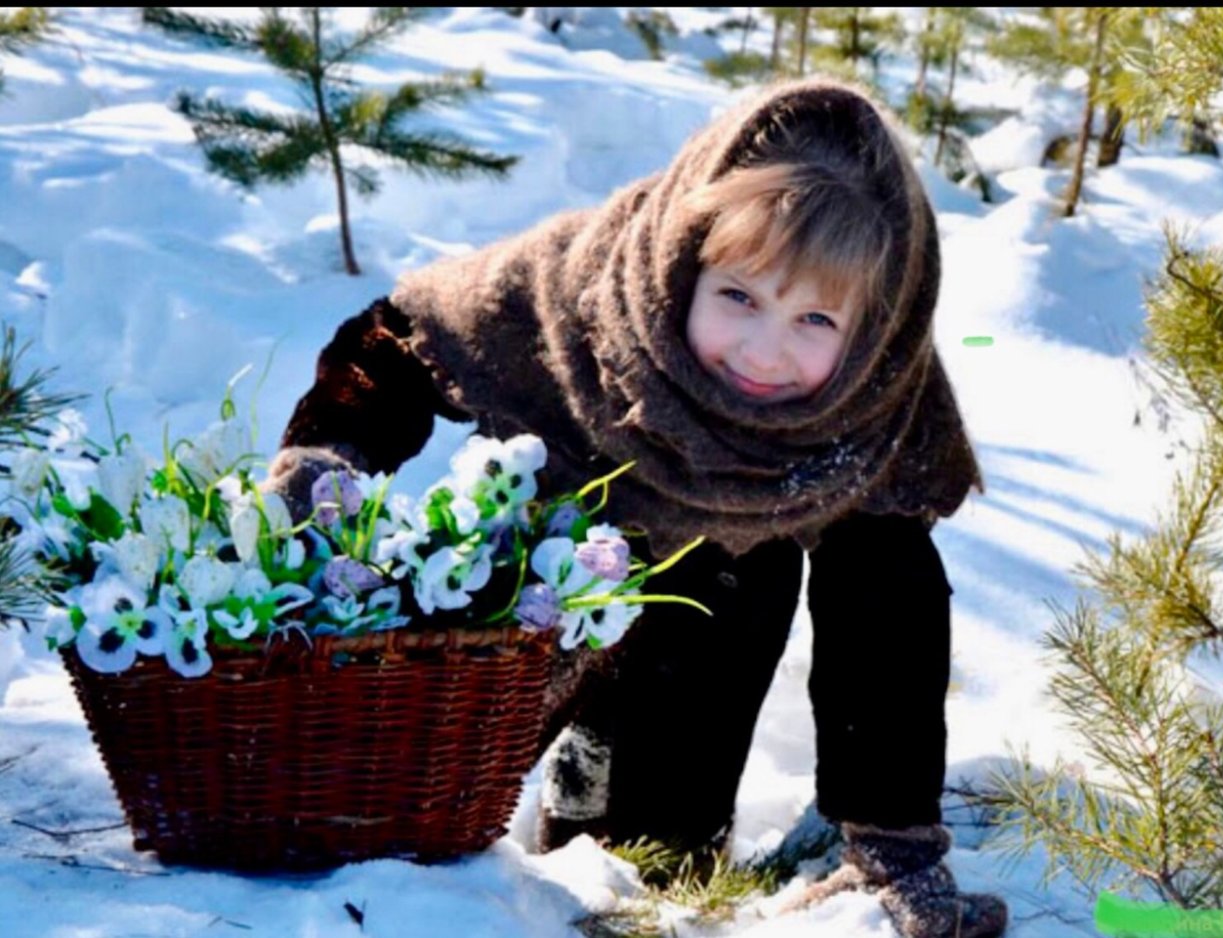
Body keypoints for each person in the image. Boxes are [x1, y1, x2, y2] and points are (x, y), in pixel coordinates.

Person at [266, 78, 1007, 938]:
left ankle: (648, 838)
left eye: (813, 319)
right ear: (687, 261)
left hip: (721, 603)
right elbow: (402, 336)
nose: (764, 352)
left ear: (871, 325)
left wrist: (895, 845)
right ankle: (476, 816)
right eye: (739, 297)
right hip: (553, 572)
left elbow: (889, 608)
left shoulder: (874, 395)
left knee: (654, 867)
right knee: (419, 834)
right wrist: (329, 455)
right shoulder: (588, 284)